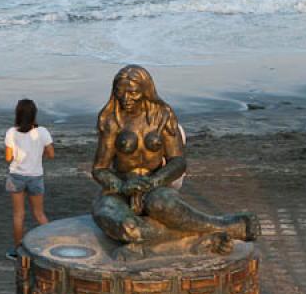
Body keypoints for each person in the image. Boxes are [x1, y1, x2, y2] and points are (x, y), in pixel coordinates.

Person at [92, 65, 259, 249]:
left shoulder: (163, 116)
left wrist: (154, 181)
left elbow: (178, 161)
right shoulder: (111, 120)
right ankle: (217, 231)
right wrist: (122, 186)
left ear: (145, 91)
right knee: (126, 228)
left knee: (164, 206)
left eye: (132, 92)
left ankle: (220, 226)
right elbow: (100, 168)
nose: (125, 98)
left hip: (156, 186)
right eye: (119, 92)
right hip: (119, 190)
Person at [5, 99, 54, 260]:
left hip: (16, 176)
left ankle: (18, 251)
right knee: (39, 214)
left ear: (17, 114)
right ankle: (52, 245)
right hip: (35, 176)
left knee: (18, 215)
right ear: (34, 114)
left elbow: (8, 157)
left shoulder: (12, 132)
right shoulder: (43, 132)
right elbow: (51, 154)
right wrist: (39, 154)